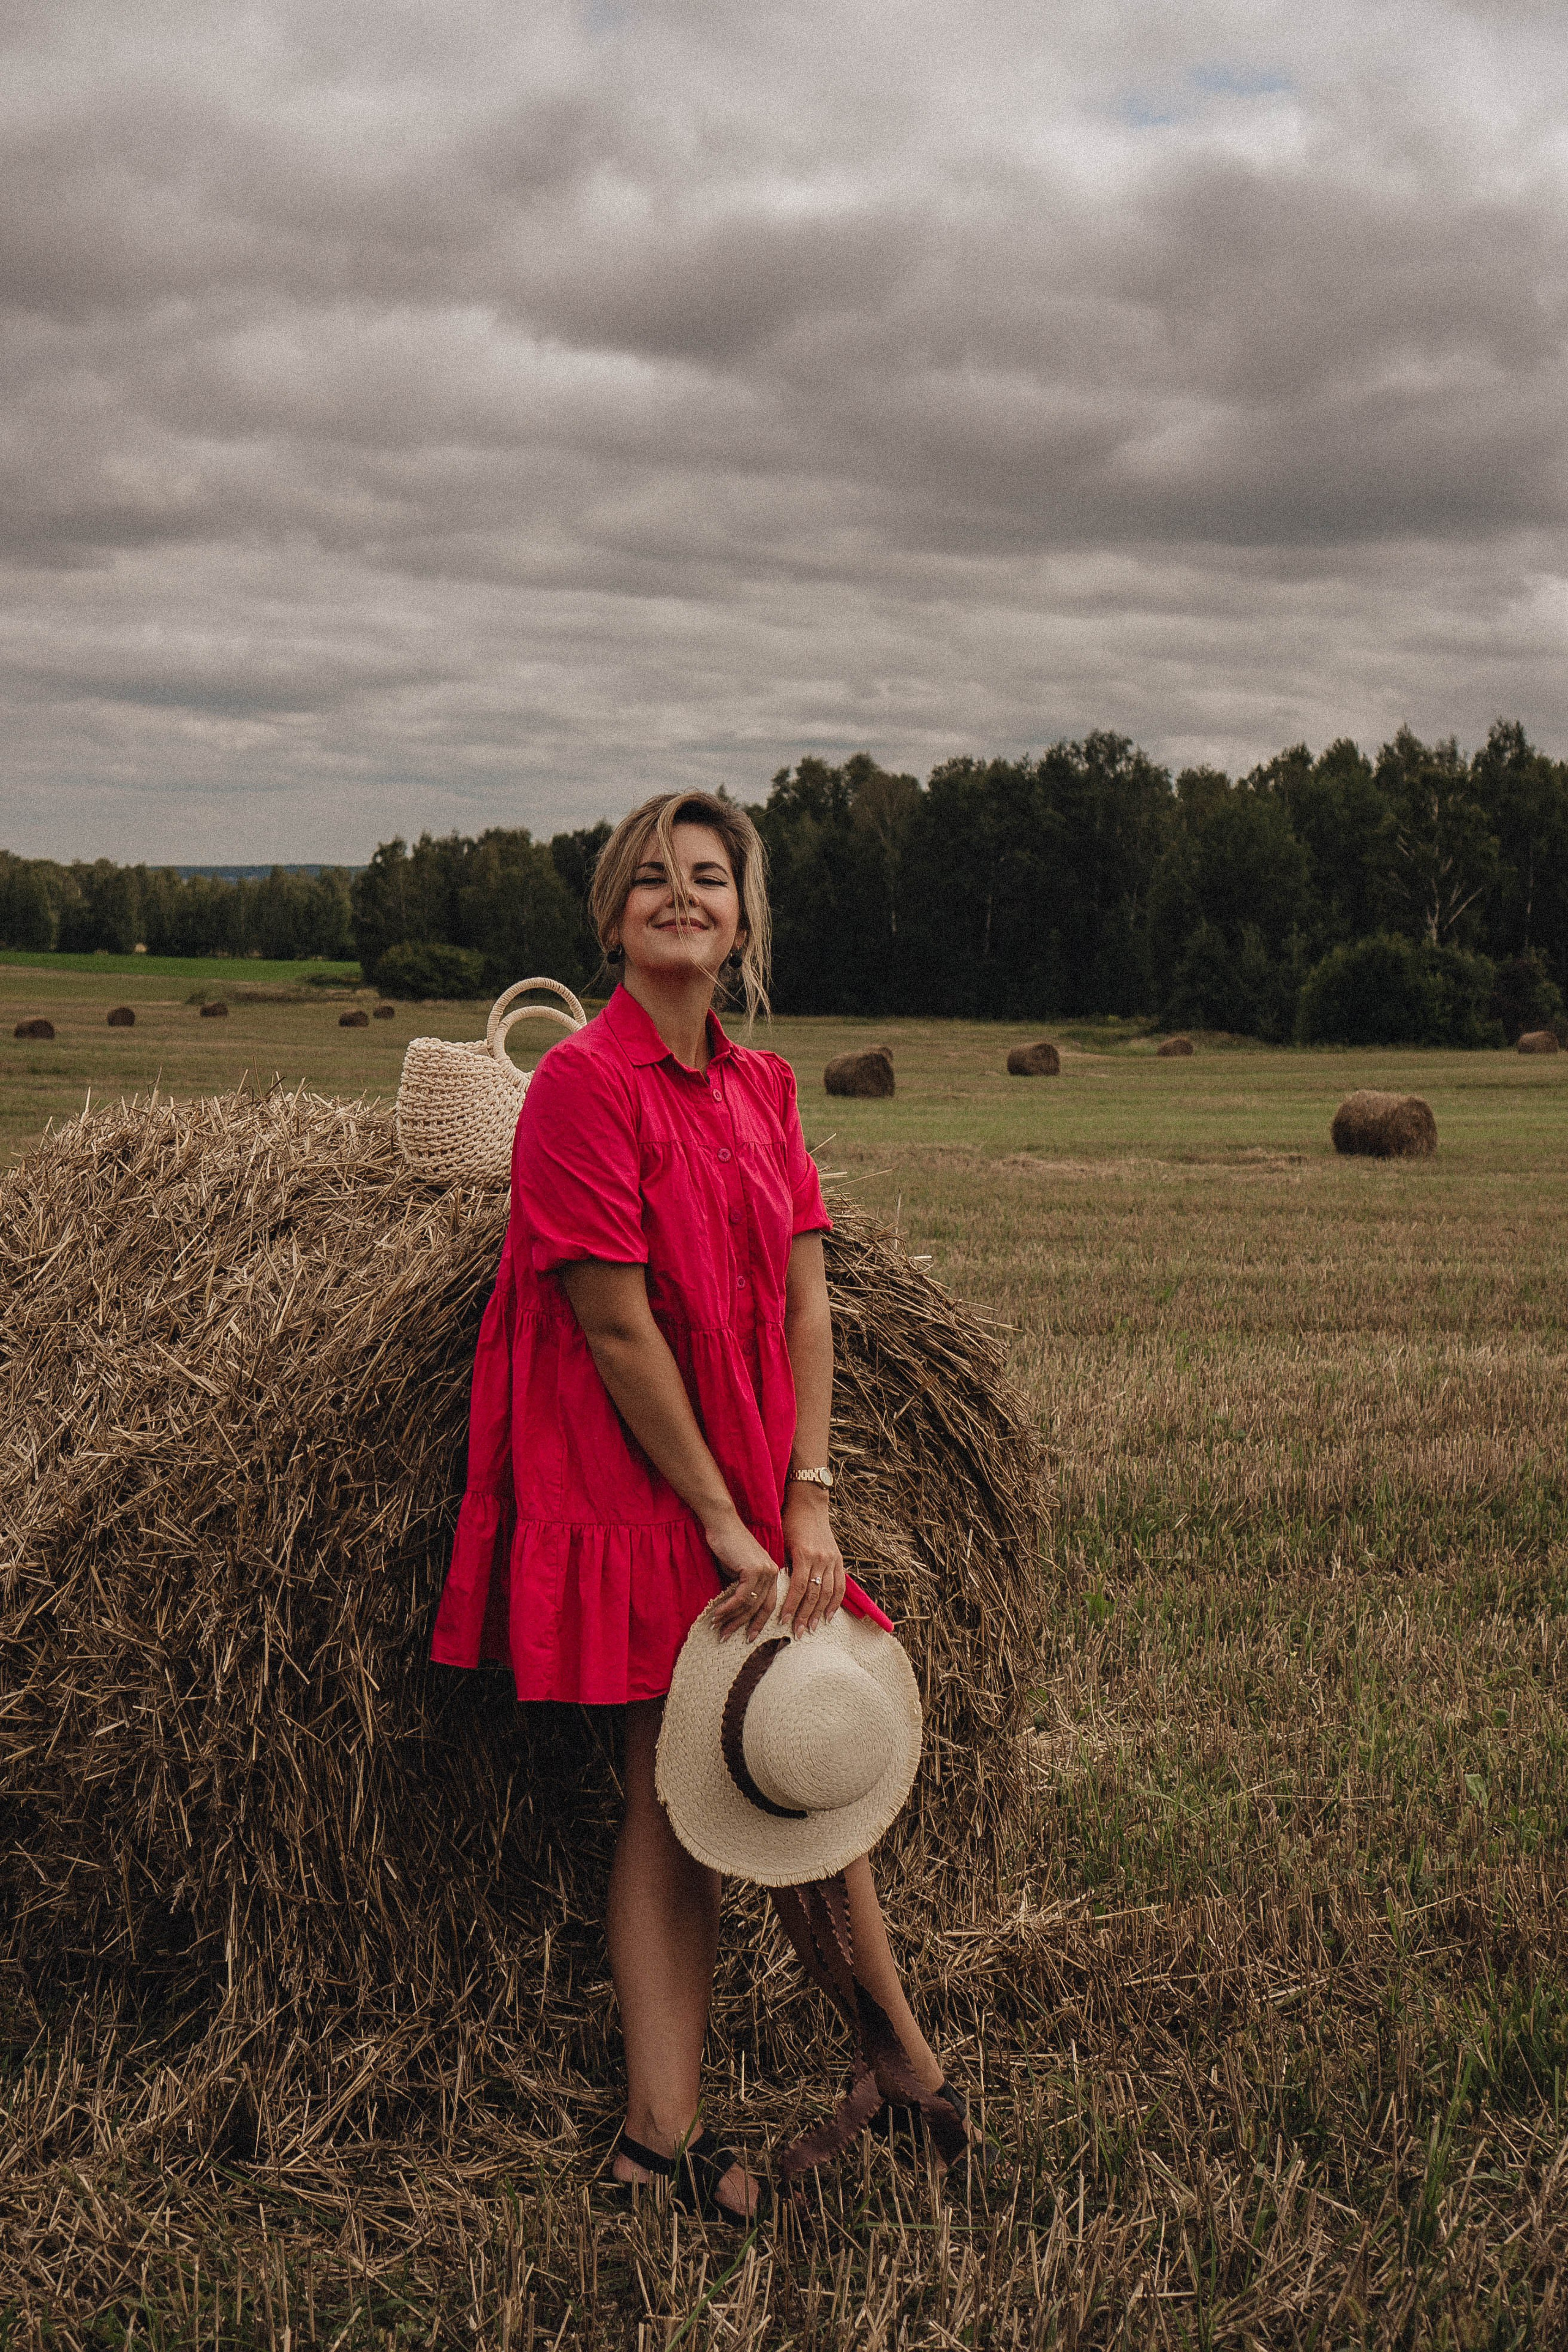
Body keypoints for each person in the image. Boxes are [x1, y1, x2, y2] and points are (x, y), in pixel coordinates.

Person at [431, 790, 960, 2222]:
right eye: (653, 878)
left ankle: (896, 2069)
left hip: (757, 1477)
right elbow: (611, 1329)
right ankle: (664, 2138)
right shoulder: (582, 1087)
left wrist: (806, 1496)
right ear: (612, 919)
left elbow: (803, 1301)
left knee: (794, 1759)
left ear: (741, 917)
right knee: (676, 1799)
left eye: (709, 878)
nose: (682, 895)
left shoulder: (765, 1088)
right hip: (630, 1476)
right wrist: (719, 1521)